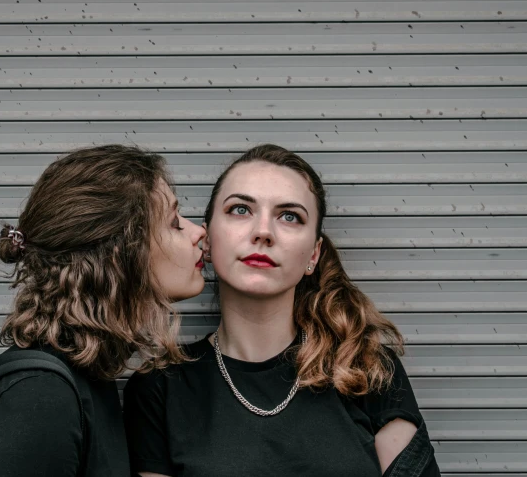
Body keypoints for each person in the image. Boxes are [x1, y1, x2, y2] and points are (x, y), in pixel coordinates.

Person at [123, 144, 440, 477]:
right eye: (240, 210)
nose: (263, 232)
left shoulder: (367, 367)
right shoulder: (159, 387)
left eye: (290, 217)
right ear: (207, 239)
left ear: (313, 256)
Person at [0, 145, 207, 477]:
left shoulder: (84, 374)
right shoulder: (38, 396)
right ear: (120, 257)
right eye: (174, 223)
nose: (198, 231)